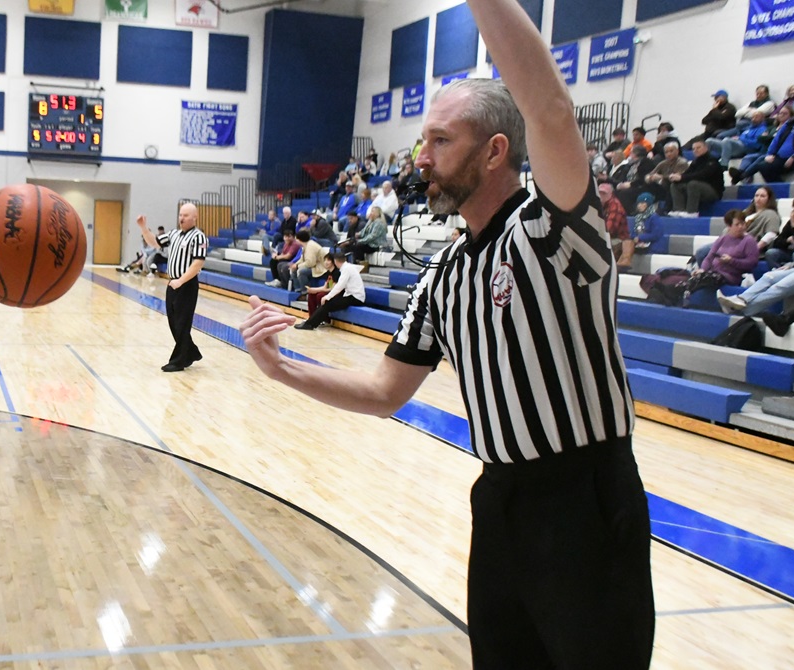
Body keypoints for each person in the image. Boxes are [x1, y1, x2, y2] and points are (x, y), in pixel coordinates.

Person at [240, 1, 653, 666]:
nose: (420, 159)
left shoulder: (554, 231)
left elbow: (548, 111)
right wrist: (281, 368)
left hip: (586, 500)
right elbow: (383, 391)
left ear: (495, 153)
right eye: (421, 142)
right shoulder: (444, 274)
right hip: (498, 500)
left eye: (440, 141)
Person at [136, 205, 206, 373]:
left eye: (186, 215)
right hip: (172, 283)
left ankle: (178, 361)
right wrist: (143, 227)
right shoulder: (174, 234)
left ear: (194, 217)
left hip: (186, 284)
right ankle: (192, 352)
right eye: (180, 215)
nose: (181, 218)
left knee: (182, 323)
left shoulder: (198, 237)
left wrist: (181, 280)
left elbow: (198, 263)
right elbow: (154, 242)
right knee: (173, 322)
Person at [293, 251, 365, 330]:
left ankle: (310, 324)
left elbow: (339, 286)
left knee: (326, 304)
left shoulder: (346, 269)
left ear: (335, 261)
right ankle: (310, 322)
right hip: (352, 296)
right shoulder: (348, 267)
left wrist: (327, 297)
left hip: (355, 297)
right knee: (326, 303)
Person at [668, 139, 724, 215]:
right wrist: (677, 177)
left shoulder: (712, 160)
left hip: (713, 191)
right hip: (697, 189)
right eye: (693, 149)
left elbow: (702, 175)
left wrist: (682, 178)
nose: (695, 150)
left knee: (693, 184)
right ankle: (679, 211)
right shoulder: (695, 161)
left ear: (706, 148)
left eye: (698, 147)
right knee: (675, 185)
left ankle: (691, 213)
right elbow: (687, 173)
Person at [599, 182, 633, 269]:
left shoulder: (615, 206)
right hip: (605, 236)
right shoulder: (599, 205)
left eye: (604, 193)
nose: (601, 195)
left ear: (611, 194)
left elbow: (610, 229)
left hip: (618, 239)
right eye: (600, 193)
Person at [290, 229, 329, 298]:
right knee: (293, 269)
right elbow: (302, 259)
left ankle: (305, 293)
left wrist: (297, 266)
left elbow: (310, 263)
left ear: (299, 240)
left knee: (301, 271)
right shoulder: (306, 246)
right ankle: (298, 290)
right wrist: (295, 265)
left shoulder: (311, 246)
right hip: (314, 266)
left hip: (321, 268)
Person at [766, 201, 794, 269]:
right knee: (771, 253)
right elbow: (777, 242)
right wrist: (787, 240)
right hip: (789, 252)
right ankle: (778, 273)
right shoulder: (791, 222)